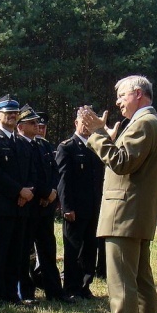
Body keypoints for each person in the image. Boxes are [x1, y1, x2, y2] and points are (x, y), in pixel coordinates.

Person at [81, 75, 157, 313]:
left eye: (122, 96)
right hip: (135, 214)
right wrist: (107, 136)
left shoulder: (143, 123)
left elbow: (121, 162)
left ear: (138, 94)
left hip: (125, 214)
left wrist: (97, 134)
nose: (118, 102)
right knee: (141, 284)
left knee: (122, 286)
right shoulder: (149, 122)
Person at [0, 95, 37, 306]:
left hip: (22, 206)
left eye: (15, 113)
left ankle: (12, 295)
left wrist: (26, 192)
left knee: (17, 253)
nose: (12, 116)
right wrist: (18, 191)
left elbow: (31, 170)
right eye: (8, 112)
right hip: (1, 206)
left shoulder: (21, 142)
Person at [18, 105, 71, 302]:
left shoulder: (44, 145)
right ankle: (26, 292)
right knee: (26, 252)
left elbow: (55, 172)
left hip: (45, 206)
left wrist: (53, 192)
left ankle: (54, 291)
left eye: (39, 123)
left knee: (48, 249)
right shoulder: (20, 145)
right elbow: (29, 175)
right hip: (29, 205)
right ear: (21, 126)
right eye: (33, 123)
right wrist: (44, 192)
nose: (38, 126)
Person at [57, 108, 106, 300]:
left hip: (93, 207)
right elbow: (63, 180)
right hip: (75, 209)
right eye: (83, 123)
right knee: (73, 249)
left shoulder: (95, 146)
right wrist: (67, 207)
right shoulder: (67, 147)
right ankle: (71, 287)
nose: (86, 127)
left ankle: (85, 286)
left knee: (90, 248)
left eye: (89, 123)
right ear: (76, 123)